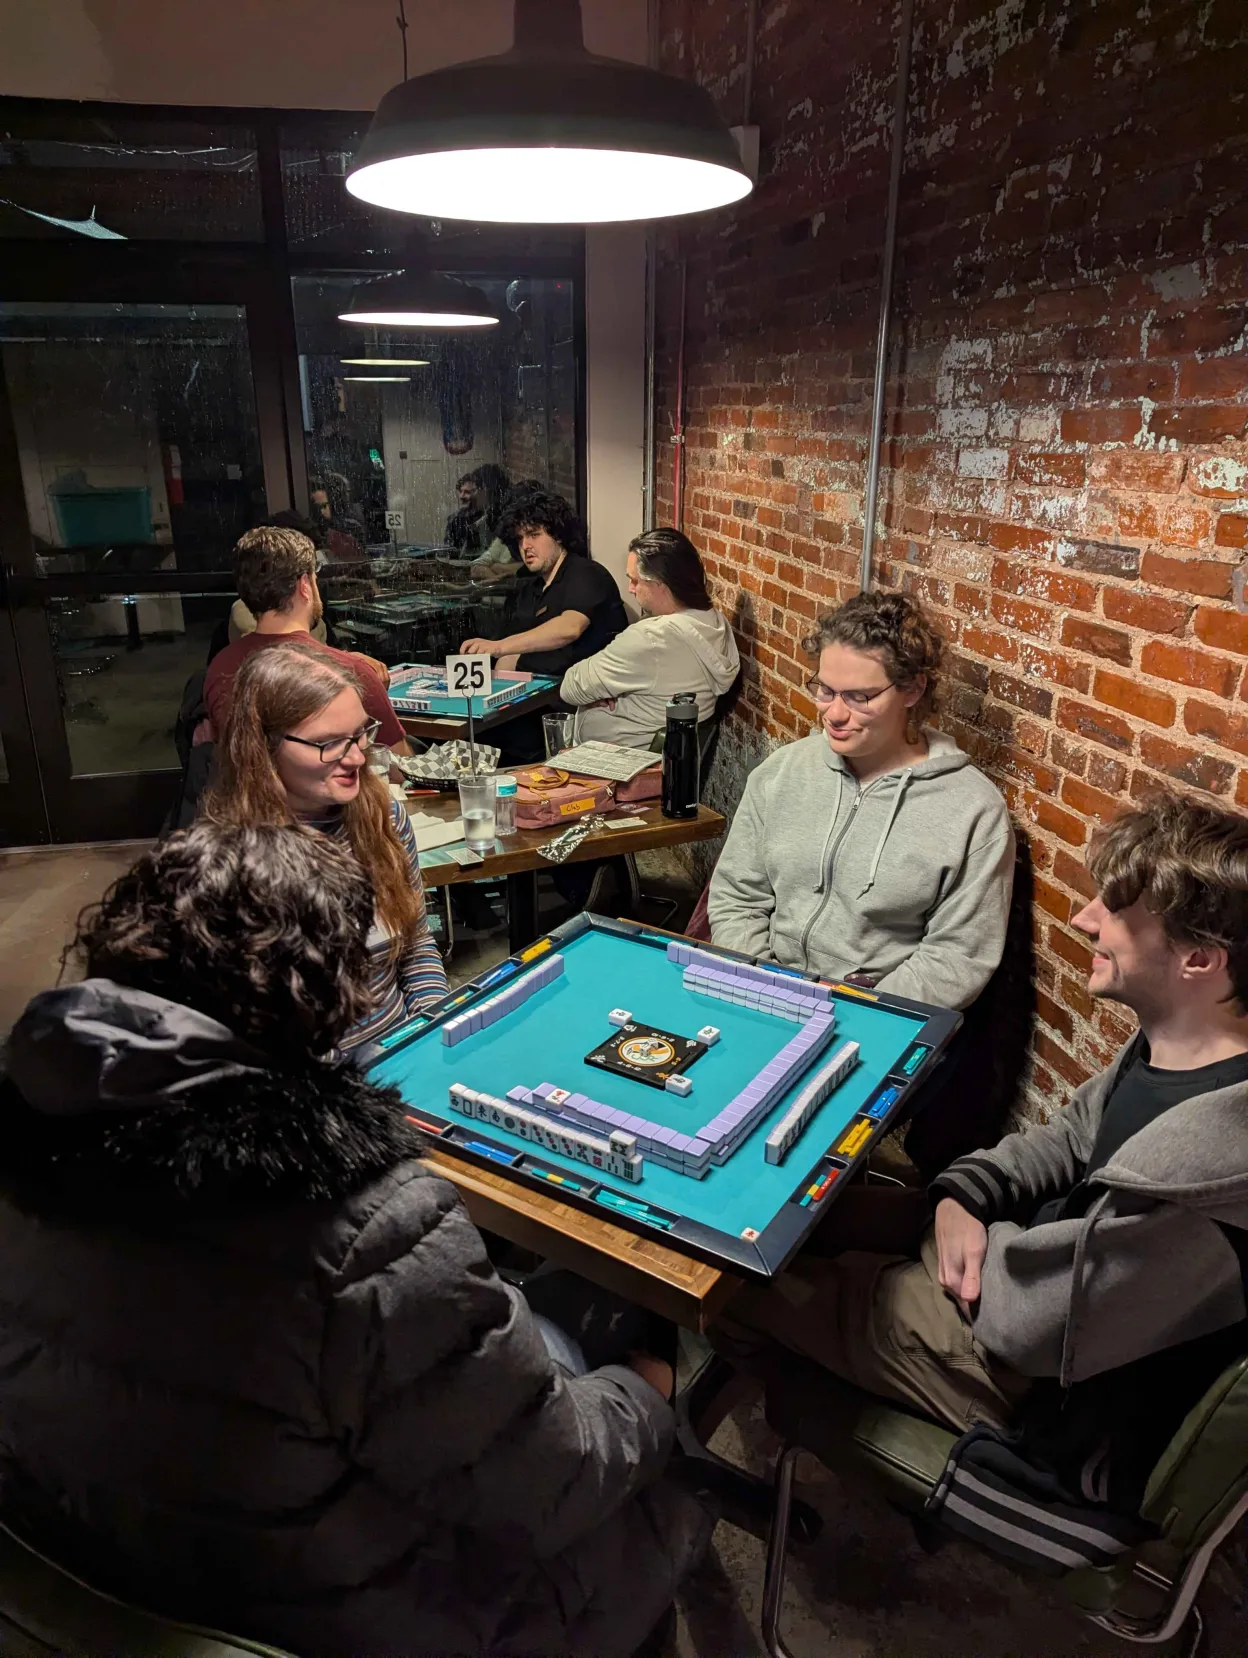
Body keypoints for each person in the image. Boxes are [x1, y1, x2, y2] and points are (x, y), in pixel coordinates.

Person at [0, 823, 707, 1656]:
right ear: (323, 995)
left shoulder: (34, 1117)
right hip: (328, 1610)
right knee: (658, 1498)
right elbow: (554, 1485)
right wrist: (645, 1390)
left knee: (538, 1321)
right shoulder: (374, 1226)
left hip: (83, 1564)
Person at [714, 791, 1248, 1505]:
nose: (1084, 919)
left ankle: (786, 1415)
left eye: (1117, 913)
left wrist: (970, 1232)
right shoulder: (1175, 1046)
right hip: (1019, 1263)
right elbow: (1065, 1140)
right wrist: (963, 1192)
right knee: (774, 1209)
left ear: (1198, 960)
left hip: (1021, 1378)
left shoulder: (1211, 1176)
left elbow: (1029, 1329)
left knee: (723, 1275)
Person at [708, 590, 1013, 1011]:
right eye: (826, 690)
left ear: (912, 690)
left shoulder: (973, 810)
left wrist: (856, 1012)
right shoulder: (782, 772)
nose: (834, 713)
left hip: (876, 1017)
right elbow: (737, 896)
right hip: (761, 995)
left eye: (860, 697)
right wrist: (762, 985)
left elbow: (957, 957)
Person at [206, 642, 444, 1048]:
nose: (355, 758)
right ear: (265, 747)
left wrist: (436, 1029)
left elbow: (417, 944)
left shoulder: (383, 816)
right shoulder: (230, 864)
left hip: (403, 1048)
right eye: (328, 743)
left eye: (360, 734)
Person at [203, 524, 411, 757]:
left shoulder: (219, 668)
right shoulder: (351, 674)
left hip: (251, 794)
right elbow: (400, 769)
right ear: (304, 586)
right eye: (315, 574)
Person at [560, 527, 740, 750]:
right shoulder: (714, 624)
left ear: (659, 584)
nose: (631, 589)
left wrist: (613, 693)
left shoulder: (651, 639)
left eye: (635, 581)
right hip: (661, 763)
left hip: (621, 767)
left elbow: (570, 688)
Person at [460, 484, 626, 676]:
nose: (525, 546)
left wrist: (499, 647)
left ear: (559, 536)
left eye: (534, 535)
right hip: (541, 693)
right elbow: (516, 648)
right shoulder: (533, 586)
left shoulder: (586, 573)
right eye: (520, 538)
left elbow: (570, 628)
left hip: (586, 696)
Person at [444, 462, 512, 559]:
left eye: (473, 491)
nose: (462, 496)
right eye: (460, 491)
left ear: (485, 490)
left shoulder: (505, 518)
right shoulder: (457, 519)